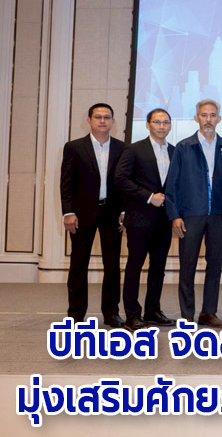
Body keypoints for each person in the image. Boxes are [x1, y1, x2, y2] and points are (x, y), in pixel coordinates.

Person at [165, 99, 222, 326]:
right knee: (187, 266)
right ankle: (187, 314)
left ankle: (208, 312)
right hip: (190, 215)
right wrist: (175, 215)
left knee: (214, 266)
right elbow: (172, 184)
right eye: (204, 115)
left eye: (212, 115)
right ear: (196, 118)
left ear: (219, 119)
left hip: (218, 217)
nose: (208, 120)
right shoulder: (184, 147)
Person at [59, 103, 127, 327]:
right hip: (81, 214)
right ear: (89, 120)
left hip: (112, 214)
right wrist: (68, 212)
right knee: (79, 264)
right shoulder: (74, 147)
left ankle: (111, 313)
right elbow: (66, 182)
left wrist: (124, 211)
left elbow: (125, 183)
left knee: (112, 265)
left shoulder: (122, 148)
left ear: (113, 121)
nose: (102, 121)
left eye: (107, 117)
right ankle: (76, 314)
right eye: (98, 117)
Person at [114, 108, 176, 331]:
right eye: (157, 122)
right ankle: (132, 315)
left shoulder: (175, 151)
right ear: (148, 124)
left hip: (164, 220)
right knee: (135, 267)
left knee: (158, 268)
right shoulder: (134, 149)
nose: (162, 126)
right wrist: (149, 197)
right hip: (139, 219)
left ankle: (153, 311)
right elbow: (120, 178)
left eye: (166, 122)